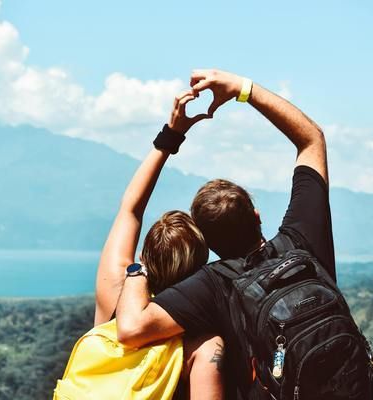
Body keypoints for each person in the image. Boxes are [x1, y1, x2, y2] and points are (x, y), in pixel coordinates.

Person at [115, 69, 336, 399]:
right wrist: (242, 89)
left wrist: (138, 269)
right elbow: (311, 138)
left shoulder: (214, 285)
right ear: (257, 216)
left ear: (207, 241)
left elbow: (131, 327)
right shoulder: (302, 240)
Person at [94, 89, 225, 399]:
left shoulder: (115, 291)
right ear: (199, 268)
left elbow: (130, 208)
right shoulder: (201, 340)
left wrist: (172, 135)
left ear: (143, 256)